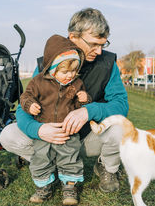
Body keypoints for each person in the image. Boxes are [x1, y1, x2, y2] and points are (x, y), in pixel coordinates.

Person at [0, 7, 129, 197]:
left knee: (122, 129)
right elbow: (22, 109)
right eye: (93, 44)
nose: (100, 51)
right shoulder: (46, 64)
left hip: (87, 137)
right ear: (72, 37)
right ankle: (48, 164)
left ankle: (107, 168)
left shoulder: (108, 63)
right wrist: (38, 130)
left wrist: (89, 111)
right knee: (8, 135)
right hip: (48, 136)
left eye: (103, 44)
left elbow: (121, 105)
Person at [20, 34, 91, 204]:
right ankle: (44, 187)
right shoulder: (38, 82)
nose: (70, 75)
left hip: (68, 131)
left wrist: (85, 99)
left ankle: (70, 188)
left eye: (74, 71)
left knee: (70, 158)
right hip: (44, 129)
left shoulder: (76, 83)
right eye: (65, 71)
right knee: (41, 158)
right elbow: (25, 96)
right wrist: (30, 104)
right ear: (52, 67)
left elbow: (81, 107)